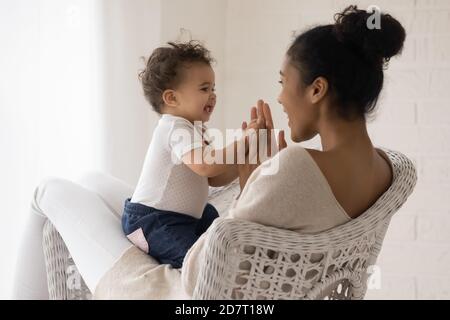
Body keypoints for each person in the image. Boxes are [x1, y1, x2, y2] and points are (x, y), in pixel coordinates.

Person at [13, 5, 407, 299]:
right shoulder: (388, 172)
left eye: (283, 81)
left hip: (172, 290)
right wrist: (254, 169)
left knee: (49, 191)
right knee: (90, 182)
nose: (280, 97)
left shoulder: (298, 168)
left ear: (317, 90)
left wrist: (255, 166)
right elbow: (259, 236)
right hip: (203, 258)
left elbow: (218, 253)